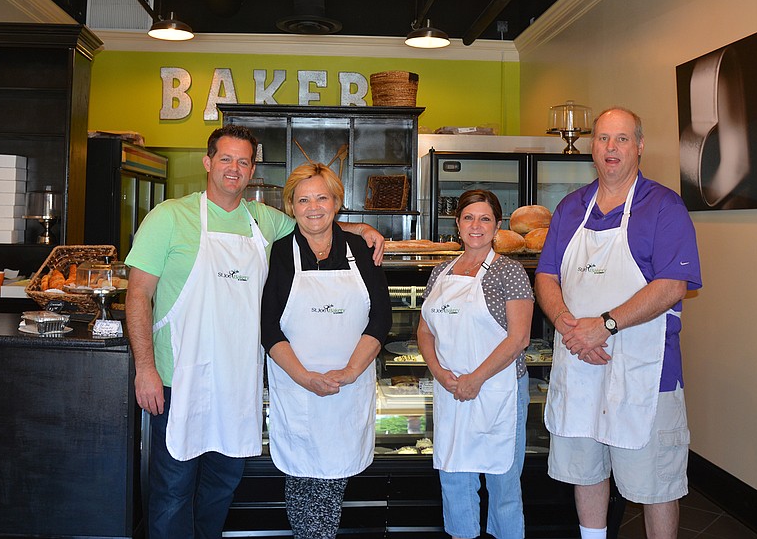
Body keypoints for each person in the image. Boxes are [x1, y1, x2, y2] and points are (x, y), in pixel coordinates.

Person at [124, 125, 384, 539]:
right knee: (173, 489)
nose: (234, 168)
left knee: (221, 486)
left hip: (239, 382)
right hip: (178, 379)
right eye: (225, 159)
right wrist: (145, 369)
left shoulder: (264, 221)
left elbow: (313, 218)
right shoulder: (169, 217)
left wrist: (361, 229)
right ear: (208, 162)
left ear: (252, 169)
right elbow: (138, 297)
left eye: (243, 161)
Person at [534, 107, 702, 539]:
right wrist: (571, 326)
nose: (611, 148)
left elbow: (672, 285)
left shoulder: (664, 206)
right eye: (604, 138)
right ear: (593, 146)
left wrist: (604, 325)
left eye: (622, 139)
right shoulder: (571, 208)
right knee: (586, 471)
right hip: (580, 363)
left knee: (655, 486)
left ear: (640, 146)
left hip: (645, 374)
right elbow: (547, 275)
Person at [261, 162, 392, 539]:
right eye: (303, 199)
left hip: (347, 388)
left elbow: (380, 319)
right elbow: (269, 327)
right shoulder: (281, 252)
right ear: (291, 206)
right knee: (303, 482)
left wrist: (350, 372)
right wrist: (305, 378)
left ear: (337, 202)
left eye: (322, 197)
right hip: (298, 388)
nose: (313, 206)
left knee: (332, 485)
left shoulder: (359, 249)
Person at [417, 189, 534, 539]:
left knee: (503, 484)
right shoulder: (440, 271)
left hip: (498, 390)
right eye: (469, 217)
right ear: (457, 223)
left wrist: (476, 379)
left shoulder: (509, 271)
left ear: (497, 225)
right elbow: (425, 330)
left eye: (485, 218)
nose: (476, 225)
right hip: (451, 388)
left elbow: (519, 338)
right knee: (454, 477)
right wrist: (440, 372)